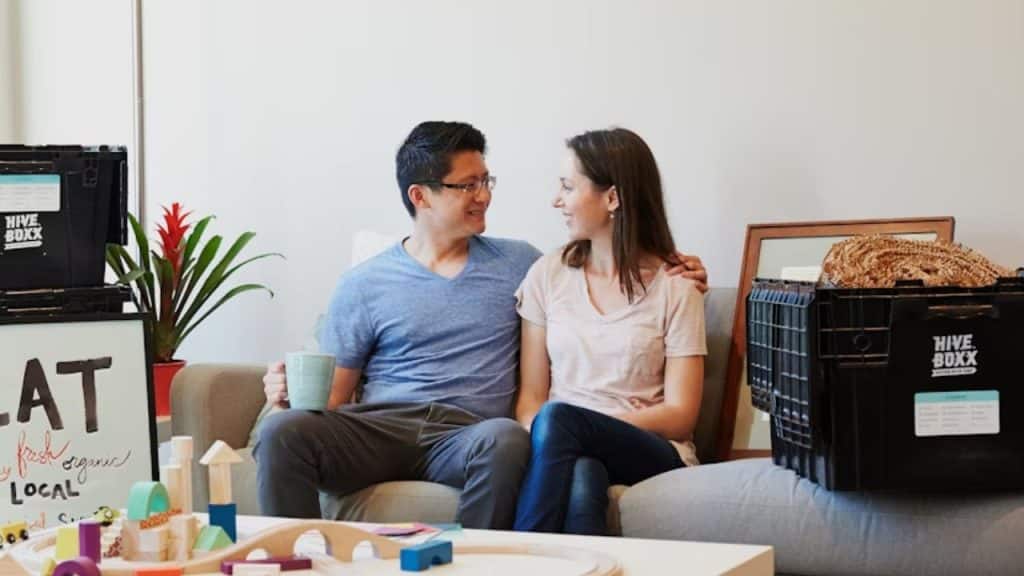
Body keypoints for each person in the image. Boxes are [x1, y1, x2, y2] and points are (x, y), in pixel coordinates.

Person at [255, 121, 708, 530]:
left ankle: (482, 563)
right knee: (283, 432)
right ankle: (292, 561)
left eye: (485, 181)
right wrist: (283, 390)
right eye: (467, 185)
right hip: (382, 426)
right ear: (421, 195)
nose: (484, 195)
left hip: (469, 434)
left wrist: (682, 267)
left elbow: (611, 262)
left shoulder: (520, 264)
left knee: (505, 438)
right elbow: (331, 394)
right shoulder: (364, 283)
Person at [513, 128, 707, 535]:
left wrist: (588, 427)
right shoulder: (547, 275)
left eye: (568, 187)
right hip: (562, 441)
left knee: (562, 422)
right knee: (583, 477)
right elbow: (530, 401)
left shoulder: (677, 286)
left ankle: (519, 559)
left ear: (613, 198)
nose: (557, 200)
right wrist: (559, 433)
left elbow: (681, 414)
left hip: (654, 449)